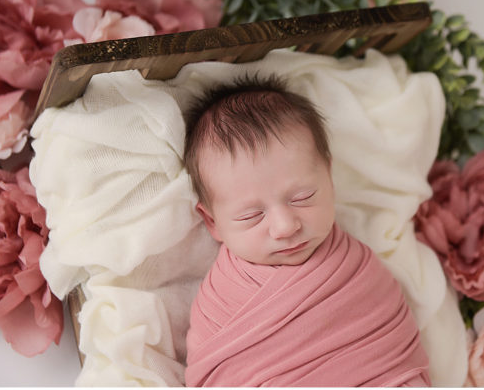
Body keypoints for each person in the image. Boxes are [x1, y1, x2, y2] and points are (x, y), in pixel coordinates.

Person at [182, 76, 431, 387]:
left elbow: (396, 357)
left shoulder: (358, 272)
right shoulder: (221, 301)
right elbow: (213, 375)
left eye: (303, 198)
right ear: (212, 223)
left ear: (328, 175)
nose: (286, 226)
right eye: (252, 216)